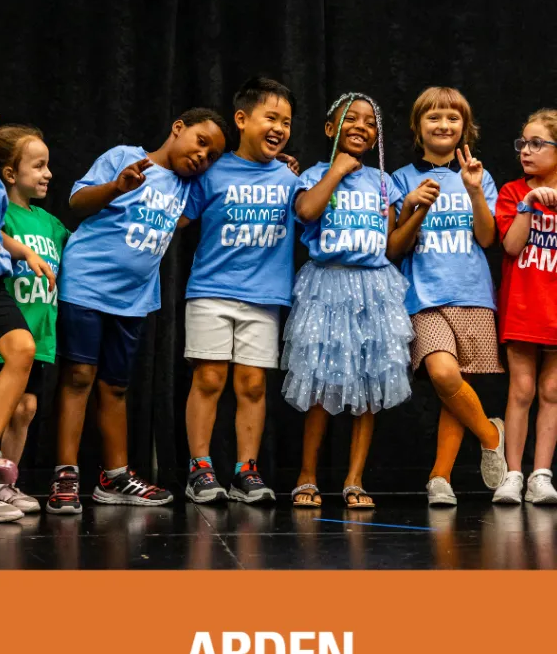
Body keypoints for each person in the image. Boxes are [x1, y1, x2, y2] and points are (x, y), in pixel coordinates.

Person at [48, 107, 228, 515]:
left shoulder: (188, 187)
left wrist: (281, 164)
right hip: (86, 284)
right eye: (201, 142)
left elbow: (230, 178)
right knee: (79, 376)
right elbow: (77, 201)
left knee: (116, 386)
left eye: (212, 154)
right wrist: (116, 187)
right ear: (178, 128)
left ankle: (115, 476)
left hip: (132, 300)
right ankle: (65, 474)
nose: (204, 156)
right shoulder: (125, 157)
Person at [282, 91, 412, 509]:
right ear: (329, 128)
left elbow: (390, 247)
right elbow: (305, 212)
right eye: (350, 119)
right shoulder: (315, 174)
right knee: (320, 384)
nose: (360, 126)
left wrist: (415, 213)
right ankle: (307, 475)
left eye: (369, 122)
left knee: (371, 384)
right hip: (327, 285)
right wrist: (336, 171)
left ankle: (355, 479)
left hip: (374, 287)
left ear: (377, 136)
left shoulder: (383, 182)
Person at [181, 76, 299, 504]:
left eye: (286, 121)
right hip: (211, 290)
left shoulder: (290, 179)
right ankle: (200, 469)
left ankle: (245, 471)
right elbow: (176, 222)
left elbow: (312, 211)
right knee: (209, 378)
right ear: (242, 119)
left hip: (265, 297)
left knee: (252, 385)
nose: (280, 128)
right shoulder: (211, 171)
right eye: (271, 117)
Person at [391, 86, 505, 507]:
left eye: (452, 118)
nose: (443, 125)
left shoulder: (479, 174)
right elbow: (394, 248)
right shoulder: (400, 178)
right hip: (423, 296)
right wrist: (413, 206)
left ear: (464, 127)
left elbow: (488, 237)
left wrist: (474, 189)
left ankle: (440, 478)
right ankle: (492, 436)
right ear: (418, 127)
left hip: (472, 294)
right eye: (434, 118)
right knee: (442, 373)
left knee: (452, 391)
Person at [0, 125, 70, 514]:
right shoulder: (4, 215)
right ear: (10, 174)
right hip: (1, 323)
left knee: (26, 408)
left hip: (37, 329)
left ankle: (3, 483)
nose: (47, 173)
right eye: (38, 166)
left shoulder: (50, 223)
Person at [493, 108, 557, 504]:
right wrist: (529, 205)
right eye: (523, 144)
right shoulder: (513, 192)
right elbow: (512, 246)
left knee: (552, 391)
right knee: (522, 389)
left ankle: (541, 475)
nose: (526, 151)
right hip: (522, 307)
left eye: (537, 144)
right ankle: (513, 474)